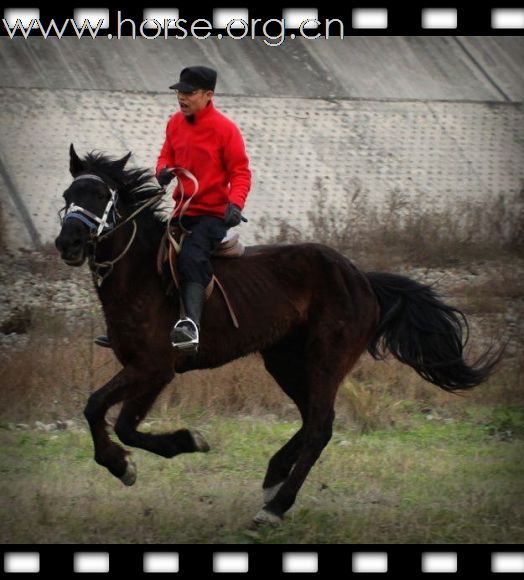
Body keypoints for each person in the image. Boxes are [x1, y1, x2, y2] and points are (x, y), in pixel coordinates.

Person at [94, 65, 251, 352]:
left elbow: (241, 173)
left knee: (191, 256)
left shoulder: (225, 129)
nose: (181, 97)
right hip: (182, 212)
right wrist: (163, 170)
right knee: (144, 252)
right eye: (179, 91)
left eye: (188, 92)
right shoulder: (174, 123)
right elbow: (165, 154)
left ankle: (190, 325)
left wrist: (235, 204)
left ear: (208, 95)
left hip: (212, 215)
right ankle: (125, 329)